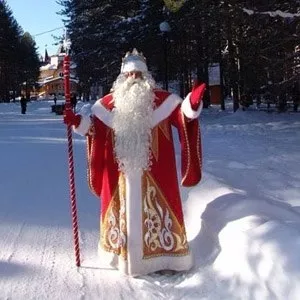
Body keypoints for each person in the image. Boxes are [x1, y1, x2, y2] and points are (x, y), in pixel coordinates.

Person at [63, 48, 206, 276]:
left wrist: (192, 103)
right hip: (119, 174)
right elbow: (95, 130)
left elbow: (183, 117)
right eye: (129, 74)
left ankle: (164, 258)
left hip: (157, 174)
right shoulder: (107, 105)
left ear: (146, 76)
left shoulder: (164, 101)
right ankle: (120, 255)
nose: (133, 79)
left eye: (138, 74)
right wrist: (77, 122)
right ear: (122, 77)